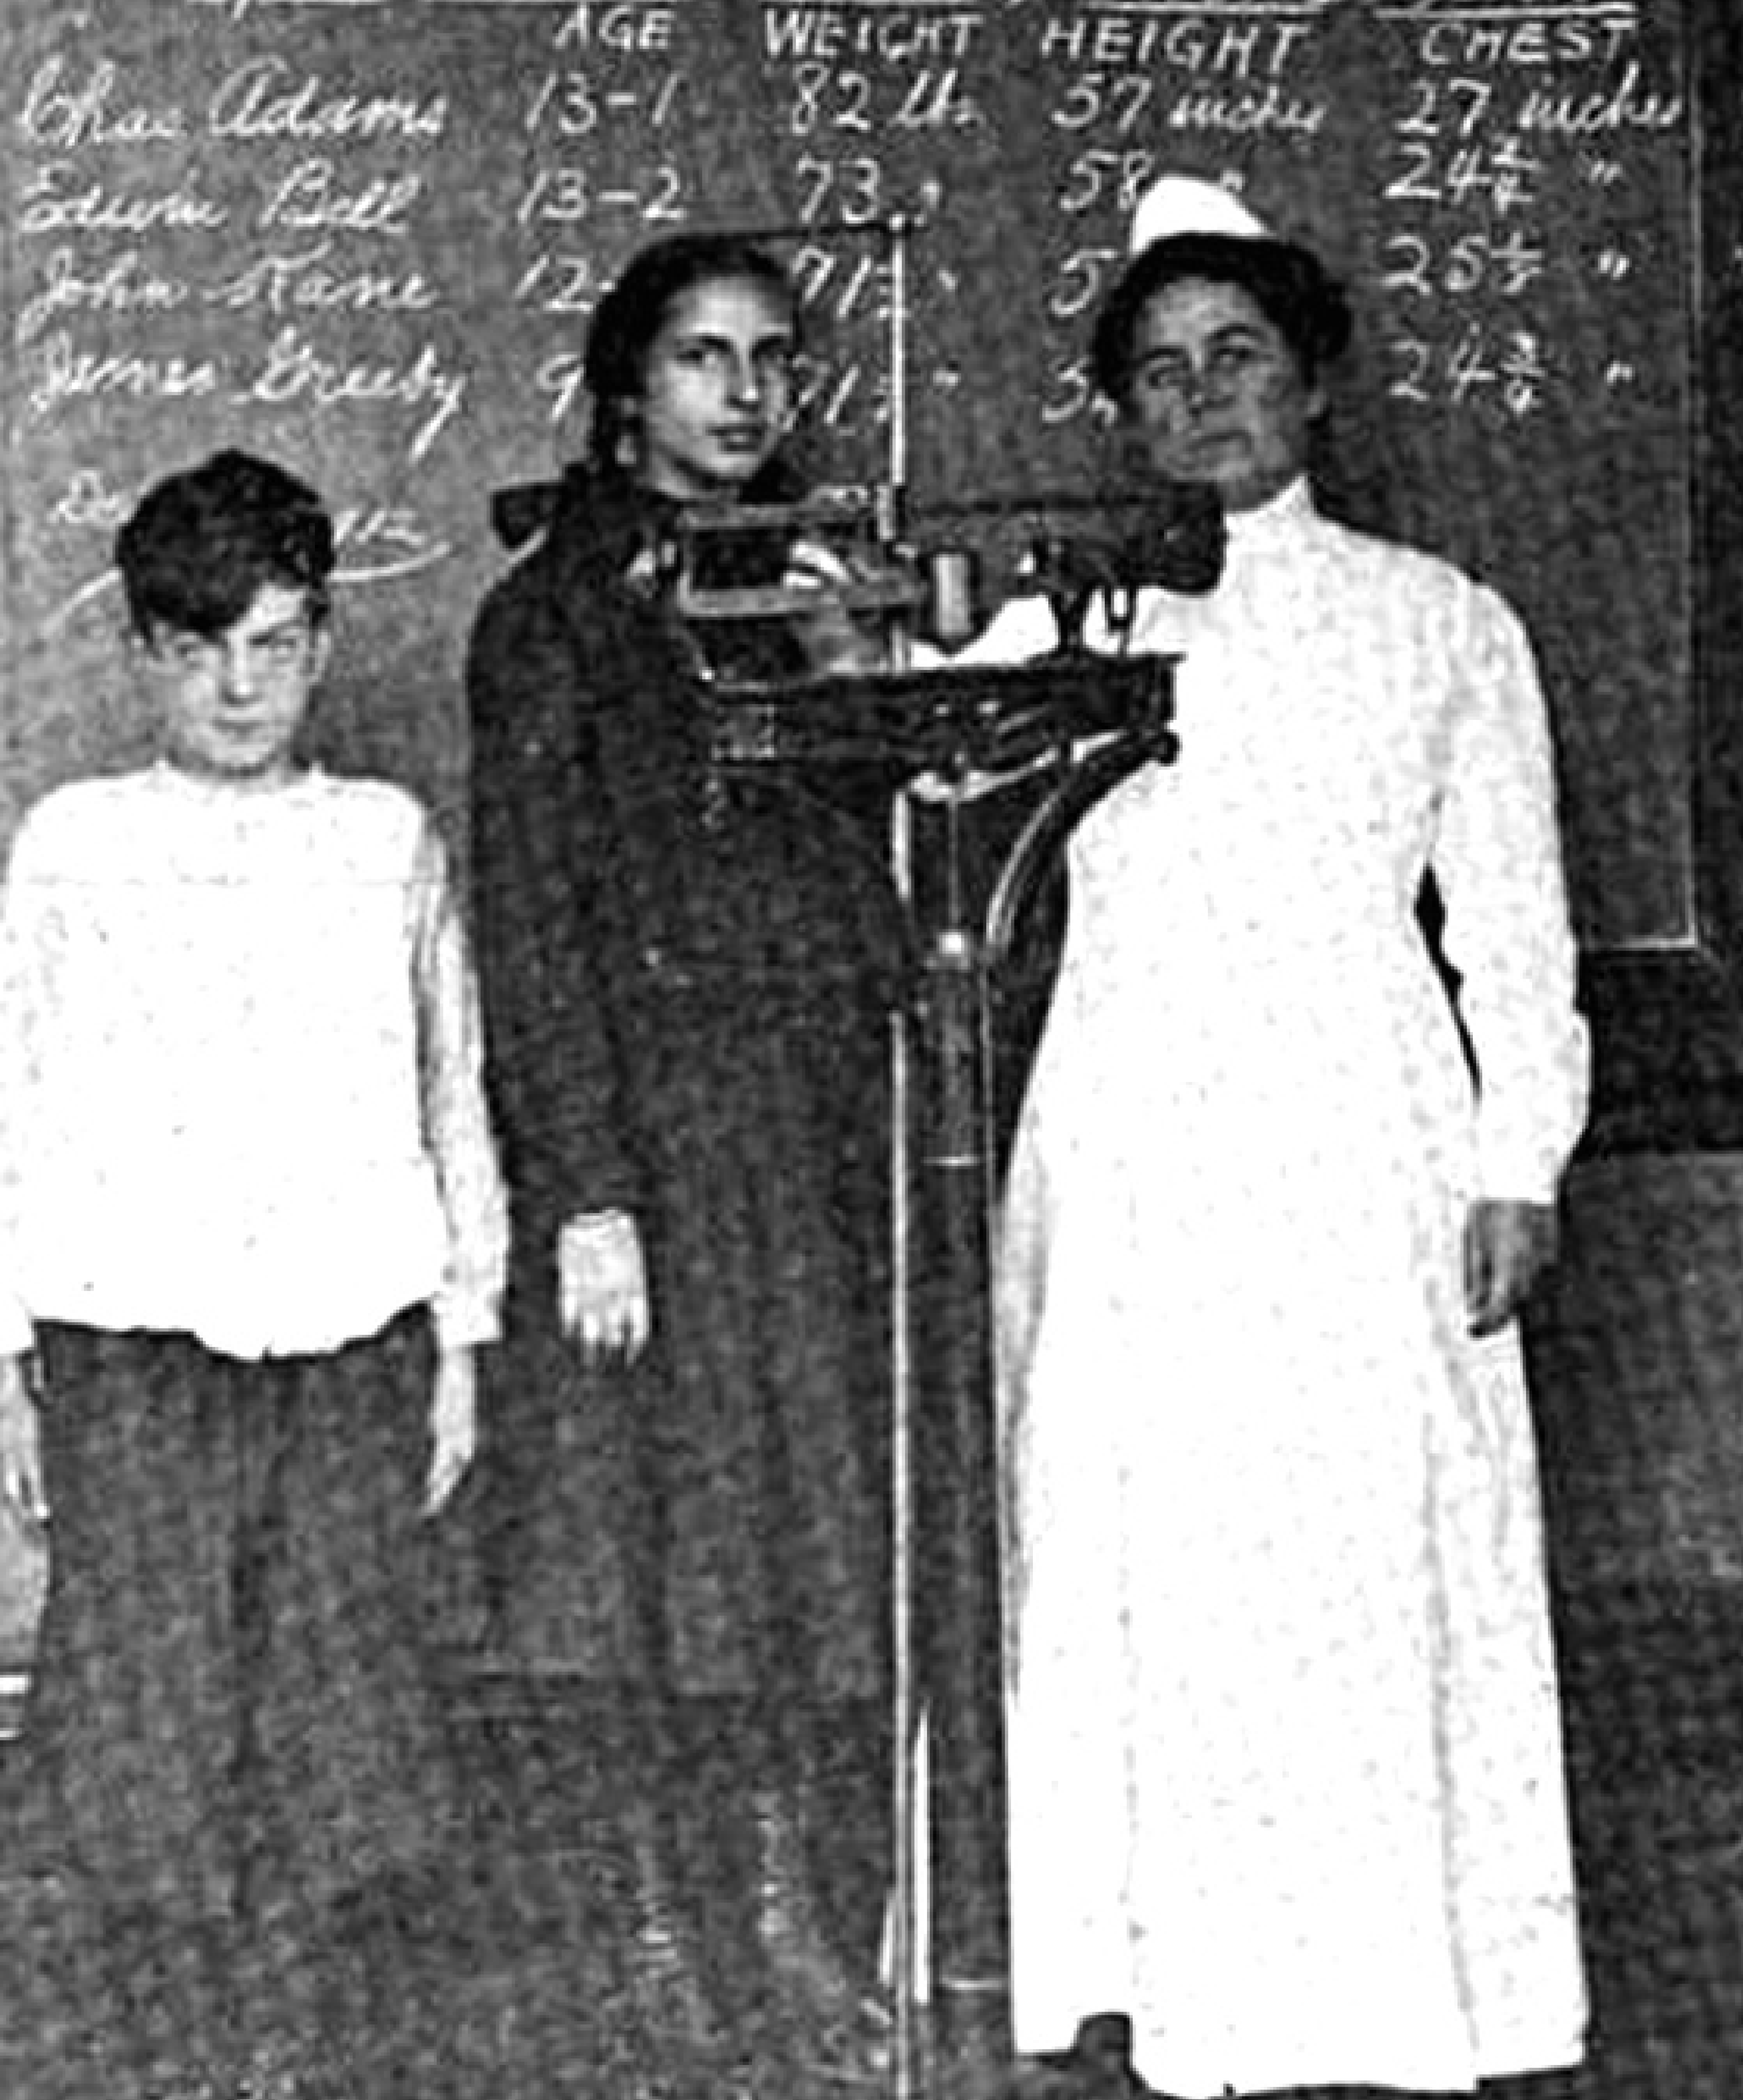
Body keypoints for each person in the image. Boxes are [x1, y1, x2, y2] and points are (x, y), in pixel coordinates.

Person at [973, 177, 1593, 2096]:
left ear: (1312, 383)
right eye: (1160, 375)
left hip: (1362, 1148)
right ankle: (1155, 1989)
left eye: (1237, 357)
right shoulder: (1056, 623)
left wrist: (1524, 1165)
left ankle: (1393, 2004)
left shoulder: (1443, 624)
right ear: (1123, 416)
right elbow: (919, 819)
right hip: (1135, 1146)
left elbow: (1510, 919)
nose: (1203, 398)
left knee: (1361, 1561)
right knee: (1149, 1548)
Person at [0, 449, 508, 2100]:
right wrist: (2, 1356)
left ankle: (298, 2021)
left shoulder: (384, 839)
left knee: (342, 1673)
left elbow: (445, 1087)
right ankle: (168, 2034)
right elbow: (2, 1102)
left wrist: (461, 1334)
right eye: (197, 650)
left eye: (269, 641)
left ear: (321, 638)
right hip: (132, 1335)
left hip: (352, 1329)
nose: (237, 684)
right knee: (148, 1678)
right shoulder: (75, 842)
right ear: (144, 655)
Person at [463, 231, 903, 2092]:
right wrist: (587, 1193)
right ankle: (676, 1922)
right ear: (624, 386)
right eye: (706, 359)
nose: (747, 396)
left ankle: (808, 1912)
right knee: (658, 1558)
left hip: (820, 1129)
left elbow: (907, 841)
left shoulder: (821, 576)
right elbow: (533, 917)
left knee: (811, 1546)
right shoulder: (553, 610)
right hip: (654, 1141)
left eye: (774, 359)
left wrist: (847, 663)